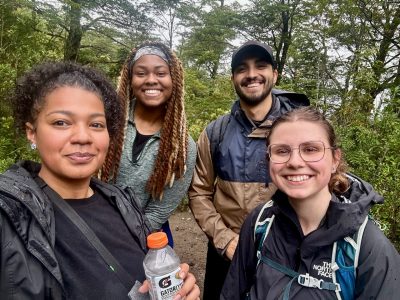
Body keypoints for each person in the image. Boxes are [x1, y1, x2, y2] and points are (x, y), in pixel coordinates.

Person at [0, 61, 200, 299]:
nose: (83, 137)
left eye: (96, 124)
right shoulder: (9, 217)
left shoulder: (123, 204)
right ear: (31, 132)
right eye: (61, 122)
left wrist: (177, 289)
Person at [221, 107, 400, 299]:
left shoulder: (368, 247)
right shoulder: (259, 223)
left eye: (311, 149)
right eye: (282, 151)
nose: (295, 162)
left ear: (335, 160)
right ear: (269, 160)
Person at [188, 40, 309, 298]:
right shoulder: (215, 133)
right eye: (242, 68)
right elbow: (199, 192)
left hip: (289, 253)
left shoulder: (302, 127)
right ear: (233, 77)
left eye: (261, 66)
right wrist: (224, 239)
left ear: (275, 74)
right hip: (226, 254)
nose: (252, 74)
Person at [101, 42, 196, 247]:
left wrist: (117, 241)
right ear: (130, 79)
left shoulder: (181, 147)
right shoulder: (106, 122)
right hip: (90, 225)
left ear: (174, 80)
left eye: (161, 73)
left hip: (144, 236)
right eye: (141, 73)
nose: (151, 80)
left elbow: (159, 211)